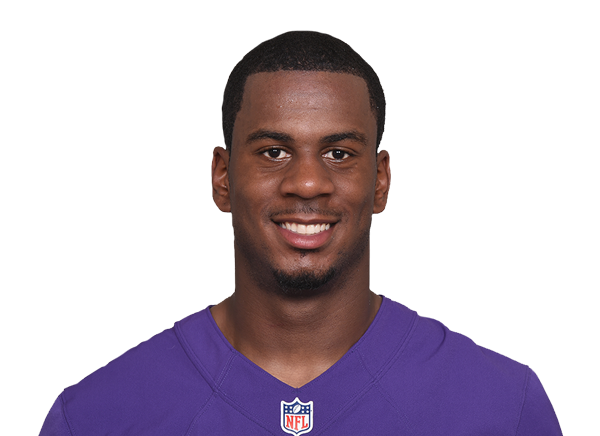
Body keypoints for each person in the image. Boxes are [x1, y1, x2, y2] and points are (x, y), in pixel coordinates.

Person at [40, 30, 562, 435]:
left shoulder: (503, 407)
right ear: (223, 178)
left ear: (380, 181)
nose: (308, 182)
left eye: (338, 153)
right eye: (274, 152)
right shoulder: (96, 417)